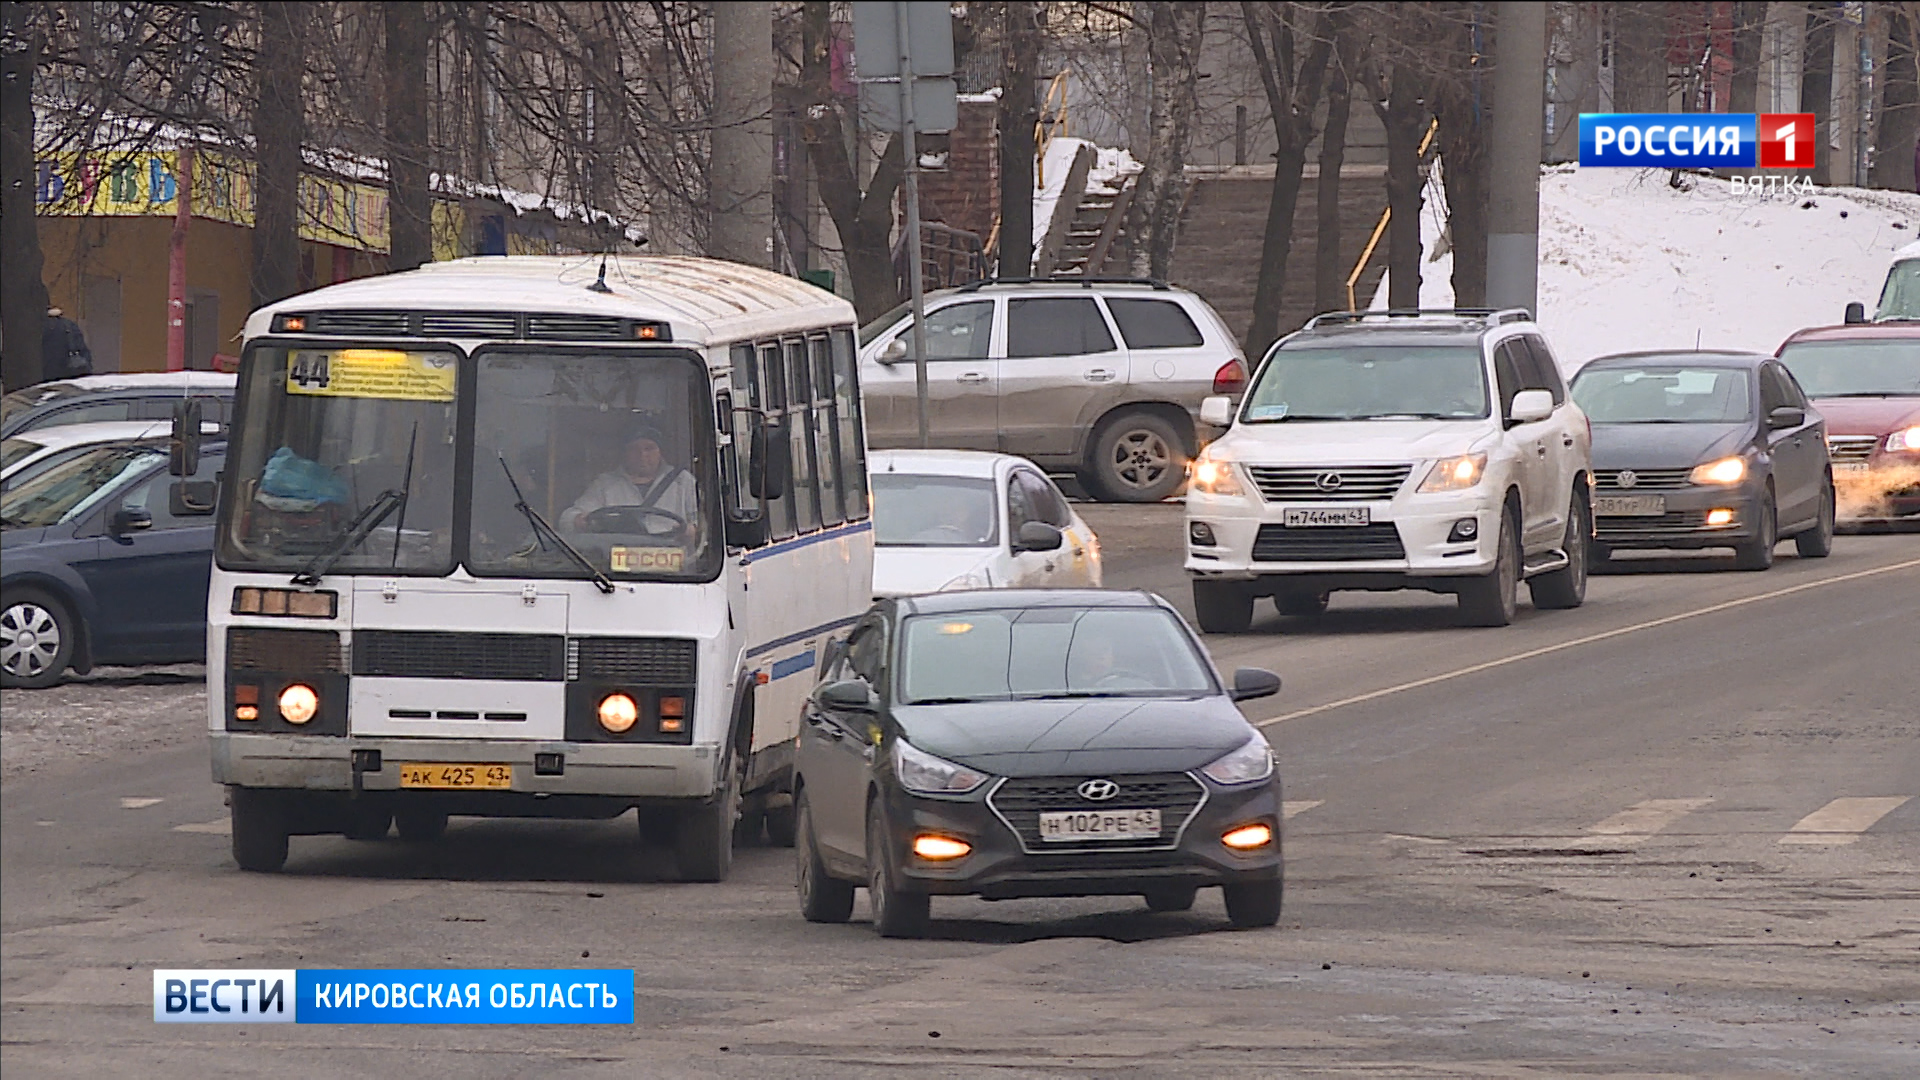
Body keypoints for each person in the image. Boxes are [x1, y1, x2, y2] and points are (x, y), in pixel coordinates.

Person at [561, 425, 697, 539]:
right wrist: (579, 521)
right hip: (618, 564)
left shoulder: (683, 481)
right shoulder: (605, 484)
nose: (642, 455)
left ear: (660, 451)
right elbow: (567, 519)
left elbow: (705, 525)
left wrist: (690, 531)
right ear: (625, 453)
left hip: (674, 563)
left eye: (649, 448)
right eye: (634, 449)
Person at [41, 307, 93, 382]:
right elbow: (82, 348)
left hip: (49, 371)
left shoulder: (41, 327)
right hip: (70, 370)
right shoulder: (69, 325)